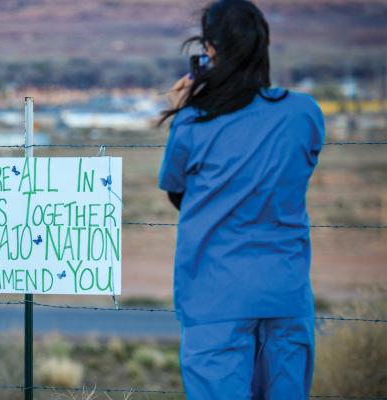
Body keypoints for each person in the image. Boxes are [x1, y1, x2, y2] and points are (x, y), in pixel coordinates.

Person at [157, 0, 325, 398]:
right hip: (286, 292)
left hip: (216, 298)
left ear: (210, 51)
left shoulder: (195, 123)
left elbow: (178, 192)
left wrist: (186, 110)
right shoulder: (305, 113)